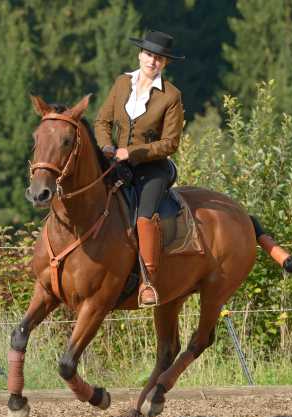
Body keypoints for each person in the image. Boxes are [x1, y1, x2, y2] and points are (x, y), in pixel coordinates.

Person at [95, 30, 185, 307]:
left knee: (144, 217)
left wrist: (131, 153)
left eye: (159, 58)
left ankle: (148, 282)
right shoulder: (122, 83)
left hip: (153, 169)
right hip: (116, 163)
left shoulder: (171, 96)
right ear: (140, 54)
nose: (152, 61)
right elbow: (101, 122)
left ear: (165, 63)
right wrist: (106, 148)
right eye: (149, 55)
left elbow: (170, 143)